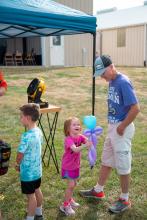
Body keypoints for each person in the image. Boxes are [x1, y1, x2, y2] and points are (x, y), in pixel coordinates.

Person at [80, 55, 140, 214]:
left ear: (111, 67)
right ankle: (98, 190)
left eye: (102, 72)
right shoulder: (112, 81)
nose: (101, 76)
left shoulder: (123, 82)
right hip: (113, 128)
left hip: (121, 129)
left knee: (123, 165)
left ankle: (125, 199)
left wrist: (122, 126)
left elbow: (135, 108)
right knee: (106, 160)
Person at [15, 103, 44, 220]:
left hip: (28, 173)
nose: (20, 118)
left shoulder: (26, 136)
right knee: (37, 190)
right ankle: (39, 213)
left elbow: (20, 154)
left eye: (21, 116)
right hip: (37, 171)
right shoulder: (39, 131)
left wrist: (17, 164)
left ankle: (30, 218)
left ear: (27, 118)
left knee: (31, 196)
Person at [60, 117, 92, 216]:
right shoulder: (68, 139)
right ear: (68, 129)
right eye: (74, 125)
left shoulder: (80, 136)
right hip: (68, 166)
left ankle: (70, 199)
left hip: (75, 166)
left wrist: (91, 137)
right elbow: (75, 150)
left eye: (78, 124)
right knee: (71, 185)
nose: (77, 126)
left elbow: (87, 140)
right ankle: (65, 205)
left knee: (74, 184)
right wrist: (85, 145)